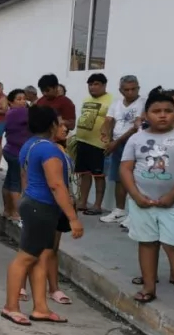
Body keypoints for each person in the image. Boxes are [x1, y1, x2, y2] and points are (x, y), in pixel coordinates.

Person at [3, 106, 82, 326]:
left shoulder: (29, 145)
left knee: (41, 257)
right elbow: (56, 185)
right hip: (42, 207)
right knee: (26, 257)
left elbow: (25, 176)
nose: (63, 125)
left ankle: (41, 308)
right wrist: (73, 218)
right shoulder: (49, 150)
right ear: (51, 125)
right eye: (60, 121)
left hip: (34, 204)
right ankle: (11, 306)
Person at [120, 87, 174, 307]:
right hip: (142, 203)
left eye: (168, 110)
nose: (163, 114)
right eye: (157, 111)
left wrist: (172, 196)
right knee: (147, 244)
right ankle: (149, 287)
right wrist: (136, 195)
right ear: (146, 115)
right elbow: (126, 169)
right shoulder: (137, 139)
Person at [100, 75, 143, 225]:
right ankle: (119, 211)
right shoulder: (116, 104)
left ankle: (133, 214)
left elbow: (135, 127)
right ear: (120, 90)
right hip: (117, 145)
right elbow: (108, 121)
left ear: (138, 88)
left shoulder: (142, 103)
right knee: (119, 178)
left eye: (134, 89)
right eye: (127, 89)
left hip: (134, 144)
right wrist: (106, 137)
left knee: (134, 178)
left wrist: (116, 142)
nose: (131, 92)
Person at [74, 73, 114, 215]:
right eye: (90, 84)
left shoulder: (111, 100)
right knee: (84, 174)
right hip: (83, 141)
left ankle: (97, 205)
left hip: (99, 144)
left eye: (96, 84)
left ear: (104, 85)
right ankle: (83, 202)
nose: (93, 87)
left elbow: (112, 122)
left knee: (98, 175)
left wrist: (110, 140)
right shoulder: (86, 100)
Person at [1, 89, 30, 223]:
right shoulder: (21, 112)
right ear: (11, 102)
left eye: (24, 98)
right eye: (19, 99)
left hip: (9, 150)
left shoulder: (10, 113)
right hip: (17, 152)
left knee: (9, 181)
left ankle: (7, 210)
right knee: (16, 183)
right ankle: (16, 212)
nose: (23, 101)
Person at [36, 74, 76, 142]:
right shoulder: (40, 101)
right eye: (42, 91)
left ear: (56, 87)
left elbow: (72, 125)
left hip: (58, 141)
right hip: (41, 139)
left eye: (47, 90)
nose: (44, 93)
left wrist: (56, 121)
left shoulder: (66, 102)